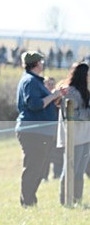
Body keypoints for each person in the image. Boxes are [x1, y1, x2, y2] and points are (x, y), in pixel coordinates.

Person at [15, 51, 65, 207]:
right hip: (33, 132)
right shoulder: (30, 81)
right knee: (33, 168)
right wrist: (53, 95)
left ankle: (30, 200)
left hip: (39, 132)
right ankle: (28, 202)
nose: (43, 64)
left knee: (38, 167)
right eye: (41, 62)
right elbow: (35, 104)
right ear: (36, 64)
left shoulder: (34, 81)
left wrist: (54, 96)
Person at [56, 62, 90, 206]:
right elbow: (72, 115)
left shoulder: (84, 91)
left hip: (85, 136)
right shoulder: (70, 92)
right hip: (73, 137)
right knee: (69, 169)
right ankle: (65, 200)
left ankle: (77, 199)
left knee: (80, 171)